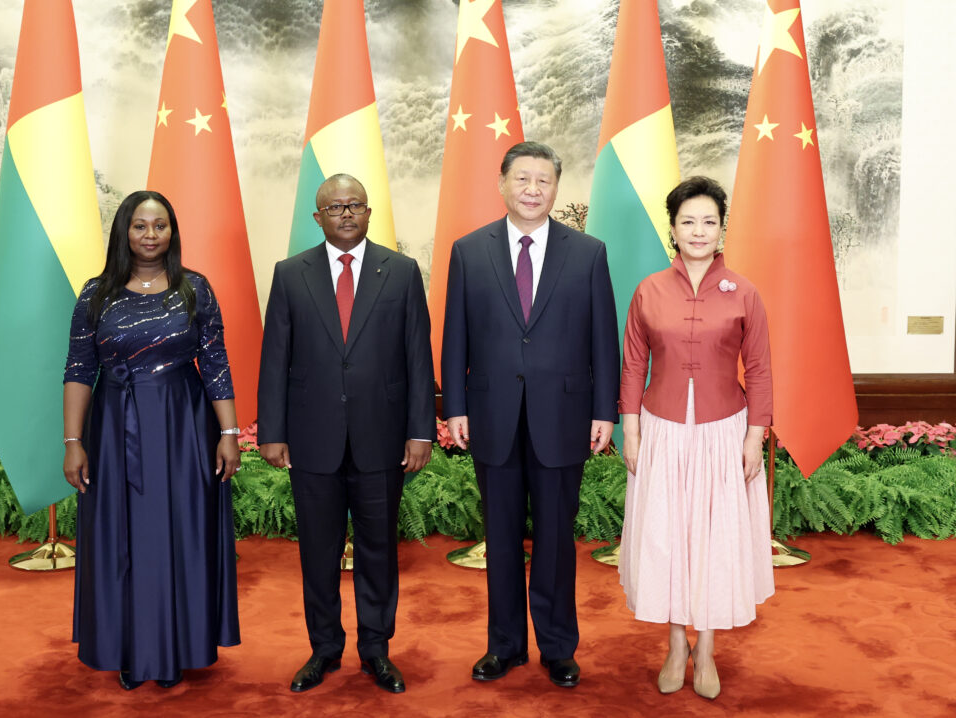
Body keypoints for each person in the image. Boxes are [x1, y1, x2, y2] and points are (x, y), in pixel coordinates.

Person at [441, 141, 619, 688]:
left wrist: (604, 411)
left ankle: (558, 647)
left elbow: (604, 339)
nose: (533, 190)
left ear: (556, 189)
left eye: (544, 180)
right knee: (499, 538)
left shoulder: (587, 252)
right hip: (491, 415)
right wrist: (455, 406)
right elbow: (454, 336)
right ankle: (505, 645)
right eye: (522, 179)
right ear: (502, 184)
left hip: (563, 417)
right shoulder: (469, 251)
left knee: (556, 540)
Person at [257, 174, 435, 694]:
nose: (346, 214)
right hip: (312, 439)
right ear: (318, 218)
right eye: (335, 207)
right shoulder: (290, 274)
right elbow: (275, 359)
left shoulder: (400, 271)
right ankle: (324, 649)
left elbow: (417, 356)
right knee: (319, 552)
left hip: (382, 435)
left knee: (379, 550)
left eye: (355, 204)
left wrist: (421, 430)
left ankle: (376, 649)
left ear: (369, 212)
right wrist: (272, 431)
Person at [62, 190, 241, 690]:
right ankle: (128, 649)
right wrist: (73, 440)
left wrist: (229, 433)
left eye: (159, 225)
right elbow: (79, 369)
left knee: (180, 533)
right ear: (124, 231)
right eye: (140, 225)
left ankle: (178, 647)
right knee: (121, 537)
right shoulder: (95, 294)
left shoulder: (195, 289)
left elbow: (216, 363)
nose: (150, 235)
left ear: (172, 232)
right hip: (113, 428)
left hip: (184, 428)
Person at [617, 176, 774, 700]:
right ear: (673, 229)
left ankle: (705, 650)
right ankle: (675, 645)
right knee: (669, 535)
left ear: (722, 228)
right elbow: (632, 365)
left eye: (709, 221)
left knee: (712, 538)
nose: (699, 231)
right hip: (661, 429)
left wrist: (754, 437)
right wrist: (631, 431)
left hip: (723, 430)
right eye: (688, 221)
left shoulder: (744, 292)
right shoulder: (649, 290)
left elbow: (760, 369)